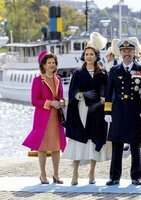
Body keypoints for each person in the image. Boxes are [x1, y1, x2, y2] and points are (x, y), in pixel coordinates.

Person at [64, 32, 111, 186]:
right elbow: (72, 92)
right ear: (83, 56)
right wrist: (81, 94)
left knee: (93, 140)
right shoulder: (78, 73)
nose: (89, 56)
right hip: (81, 110)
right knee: (79, 140)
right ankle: (75, 172)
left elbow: (107, 91)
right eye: (86, 54)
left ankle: (91, 172)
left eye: (91, 54)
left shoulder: (102, 73)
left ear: (96, 56)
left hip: (96, 111)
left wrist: (102, 100)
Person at [104, 39, 141, 186]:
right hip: (118, 111)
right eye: (124, 51)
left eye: (129, 51)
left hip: (134, 111)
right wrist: (107, 111)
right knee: (117, 145)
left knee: (135, 145)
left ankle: (136, 176)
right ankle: (114, 177)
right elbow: (108, 93)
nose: (127, 53)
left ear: (134, 52)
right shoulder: (114, 71)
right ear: (120, 53)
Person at [22, 50, 67, 184]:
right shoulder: (38, 80)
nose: (52, 65)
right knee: (42, 147)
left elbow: (61, 97)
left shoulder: (58, 79)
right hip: (43, 118)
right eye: (49, 63)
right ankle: (43, 175)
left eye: (53, 62)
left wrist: (62, 103)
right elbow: (34, 101)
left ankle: (56, 175)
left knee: (56, 147)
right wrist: (50, 103)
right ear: (43, 65)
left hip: (56, 118)